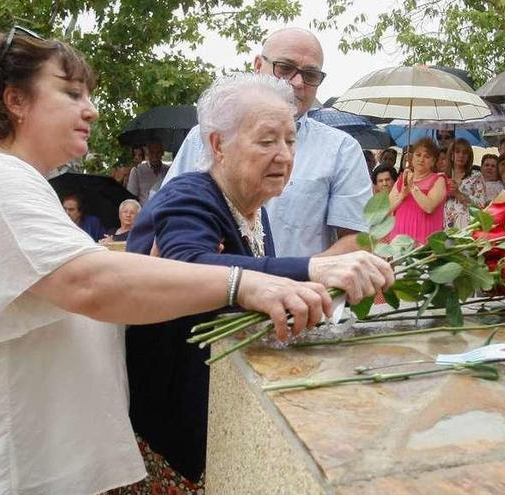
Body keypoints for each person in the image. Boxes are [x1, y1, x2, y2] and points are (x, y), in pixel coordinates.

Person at [0, 30, 353, 495]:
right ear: (15, 99)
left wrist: (156, 274)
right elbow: (87, 283)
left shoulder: (14, 180)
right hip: (4, 466)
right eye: (72, 93)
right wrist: (244, 283)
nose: (91, 109)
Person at [122, 74, 394, 491]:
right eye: (267, 141)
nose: (284, 155)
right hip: (170, 426)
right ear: (217, 145)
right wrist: (313, 269)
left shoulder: (251, 206)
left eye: (290, 141)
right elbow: (187, 265)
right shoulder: (188, 197)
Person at [162, 28, 372, 258]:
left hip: (304, 292)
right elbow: (166, 221)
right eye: (285, 68)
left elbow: (358, 241)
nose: (298, 81)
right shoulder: (203, 136)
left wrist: (290, 283)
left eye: (311, 74)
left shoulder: (342, 150)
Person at [387, 137, 447, 244]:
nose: (421, 159)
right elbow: (387, 208)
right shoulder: (403, 178)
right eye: (418, 155)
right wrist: (402, 195)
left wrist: (413, 187)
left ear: (433, 161)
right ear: (412, 158)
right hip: (399, 237)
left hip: (424, 238)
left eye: (427, 156)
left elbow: (429, 207)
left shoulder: (439, 179)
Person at [444, 138, 477, 229]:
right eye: (457, 152)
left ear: (469, 156)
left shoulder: (476, 176)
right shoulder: (443, 177)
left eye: (465, 153)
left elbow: (480, 206)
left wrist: (458, 194)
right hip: (445, 225)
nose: (461, 155)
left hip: (466, 225)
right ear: (451, 155)